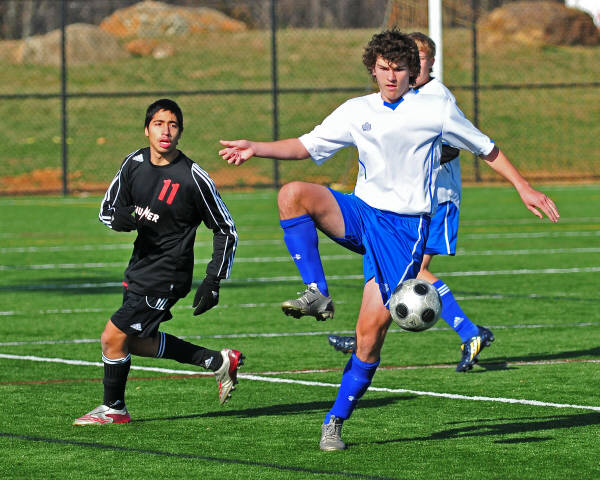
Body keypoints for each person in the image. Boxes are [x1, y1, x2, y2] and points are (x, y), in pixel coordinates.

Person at [218, 29, 559, 450]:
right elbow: (306, 145)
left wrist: (524, 187)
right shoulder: (356, 110)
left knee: (368, 338)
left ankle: (334, 420)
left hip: (404, 231)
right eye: (384, 68)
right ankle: (317, 292)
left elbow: (486, 148)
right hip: (362, 213)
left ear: (412, 71)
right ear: (373, 69)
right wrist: (256, 147)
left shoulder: (435, 108)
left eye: (399, 68)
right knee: (292, 195)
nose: (391, 76)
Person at [328, 32, 494, 372]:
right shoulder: (402, 98)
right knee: (385, 269)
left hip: (436, 199)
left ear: (428, 62)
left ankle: (468, 331)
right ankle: (365, 335)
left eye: (417, 58)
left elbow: (456, 145)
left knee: (413, 272)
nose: (401, 68)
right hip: (400, 205)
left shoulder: (436, 97)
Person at [74, 98, 243, 425]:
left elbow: (226, 228)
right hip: (139, 267)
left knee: (112, 337)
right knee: (135, 342)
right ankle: (217, 361)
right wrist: (127, 219)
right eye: (159, 124)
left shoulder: (193, 177)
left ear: (180, 132)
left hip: (168, 274)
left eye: (173, 125)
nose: (166, 131)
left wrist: (213, 279)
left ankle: (114, 408)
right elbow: (108, 211)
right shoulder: (134, 163)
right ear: (146, 129)